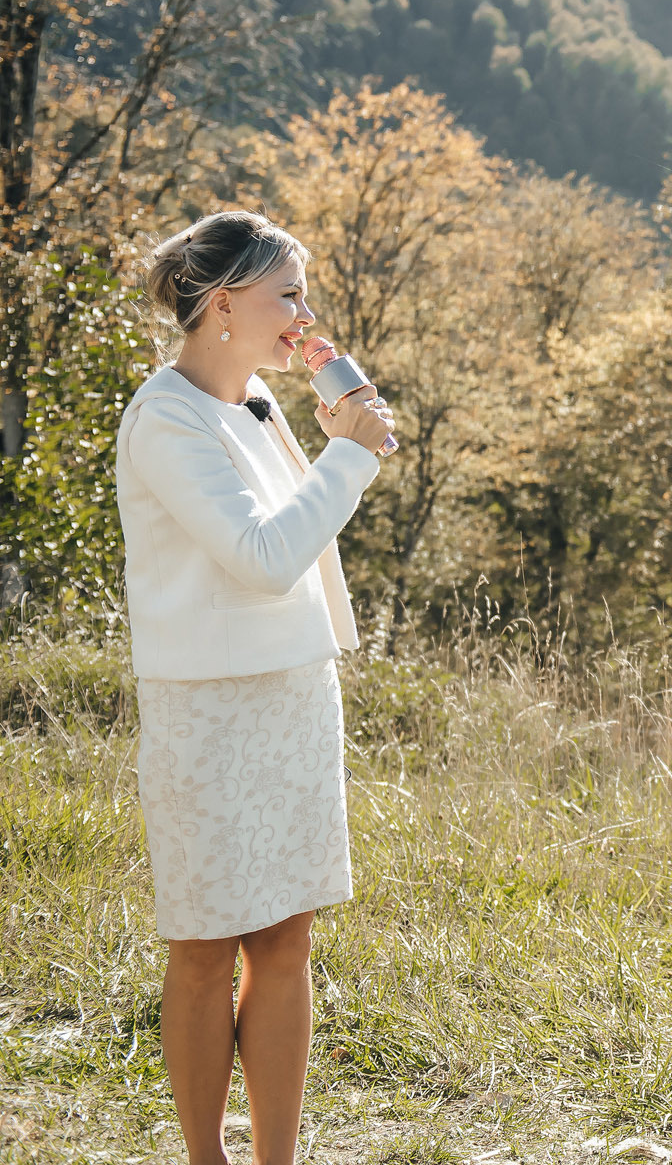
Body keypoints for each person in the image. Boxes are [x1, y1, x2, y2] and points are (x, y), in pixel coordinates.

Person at [117, 211, 395, 1165]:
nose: (304, 316)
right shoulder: (165, 416)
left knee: (286, 943)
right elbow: (263, 559)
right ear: (224, 303)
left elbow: (300, 547)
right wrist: (349, 455)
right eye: (288, 295)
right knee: (203, 947)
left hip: (292, 697)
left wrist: (338, 446)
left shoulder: (262, 406)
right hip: (206, 709)